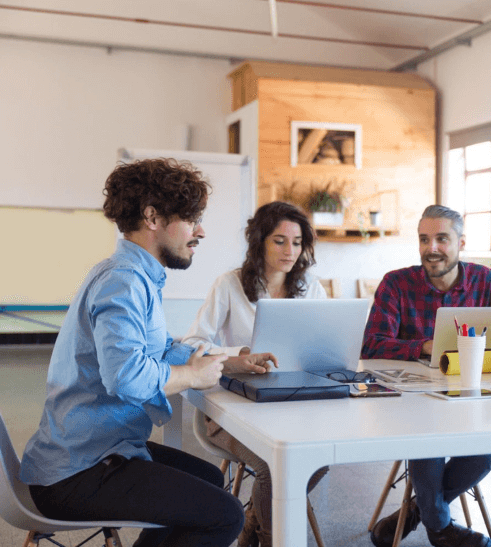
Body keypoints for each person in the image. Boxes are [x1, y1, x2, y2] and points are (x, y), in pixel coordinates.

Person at [19, 158, 248, 547]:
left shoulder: (132, 274)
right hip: (77, 470)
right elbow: (126, 376)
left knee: (210, 481)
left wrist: (227, 362)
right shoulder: (123, 281)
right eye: (192, 218)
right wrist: (192, 377)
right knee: (225, 517)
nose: (201, 231)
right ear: (152, 217)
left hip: (94, 451)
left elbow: (159, 350)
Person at [362, 205, 491, 547]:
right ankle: (440, 528)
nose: (431, 248)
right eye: (424, 239)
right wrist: (424, 347)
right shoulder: (396, 283)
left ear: (461, 242)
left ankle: (415, 511)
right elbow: (371, 345)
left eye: (441, 238)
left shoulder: (486, 282)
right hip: (412, 404)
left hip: (472, 400)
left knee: (486, 452)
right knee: (428, 440)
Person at [181, 200, 327, 547]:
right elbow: (192, 343)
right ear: (259, 240)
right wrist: (238, 354)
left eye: (297, 241)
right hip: (233, 406)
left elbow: (324, 343)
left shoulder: (310, 287)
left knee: (321, 458)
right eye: (279, 240)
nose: (290, 250)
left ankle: (252, 523)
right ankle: (269, 537)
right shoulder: (229, 285)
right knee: (272, 466)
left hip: (294, 405)